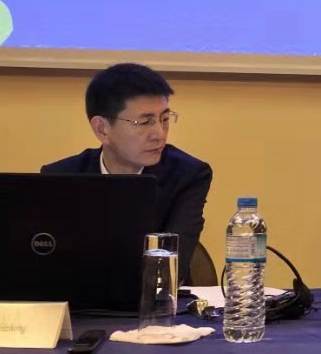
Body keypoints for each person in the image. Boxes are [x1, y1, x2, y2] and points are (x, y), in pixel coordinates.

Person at [41, 63, 213, 285]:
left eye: (164, 119)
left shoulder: (188, 175)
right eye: (145, 122)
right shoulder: (60, 177)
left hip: (157, 301)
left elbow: (170, 267)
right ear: (102, 129)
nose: (159, 134)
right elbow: (51, 264)